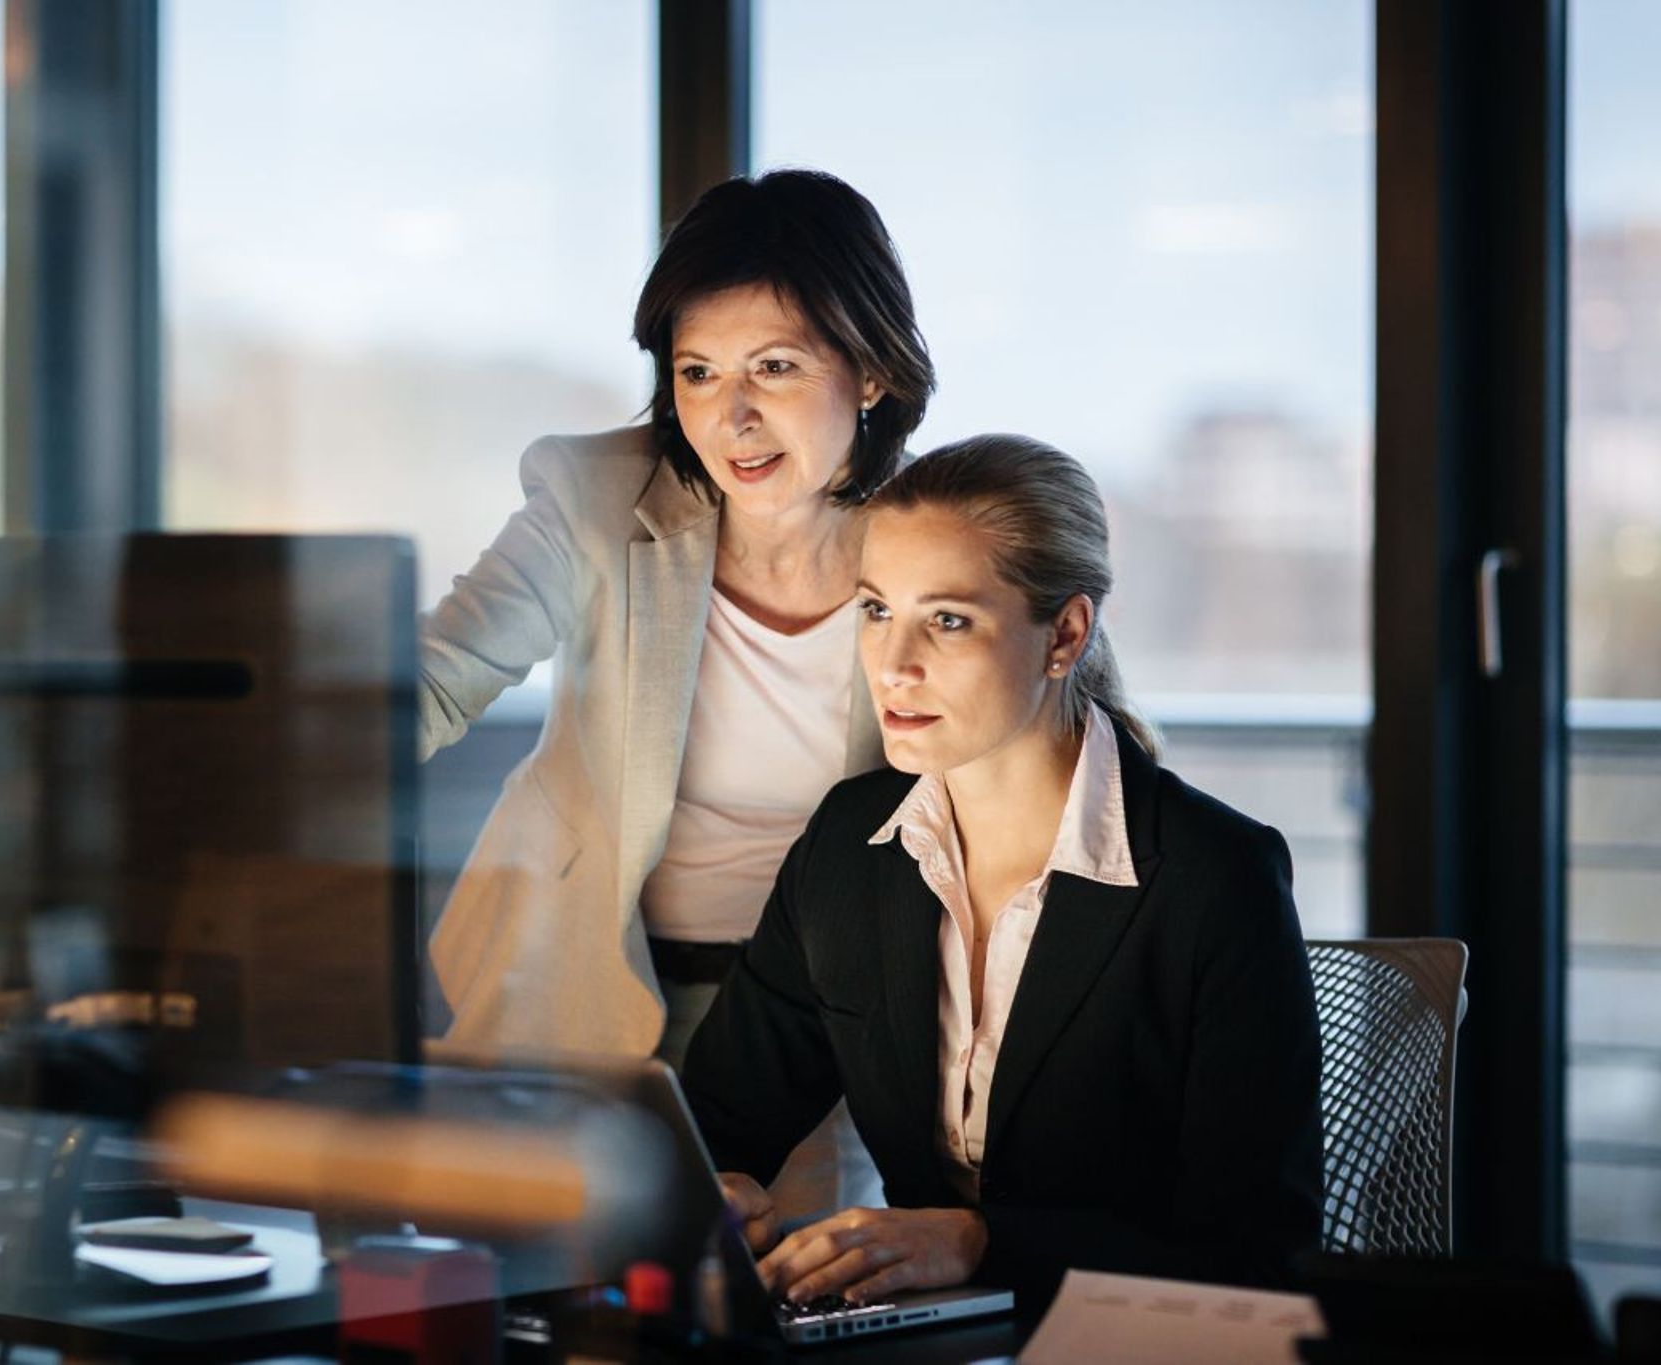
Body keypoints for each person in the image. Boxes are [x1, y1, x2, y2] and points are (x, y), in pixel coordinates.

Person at [681, 434, 1323, 1310]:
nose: (893, 663)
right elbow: (715, 1121)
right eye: (875, 611)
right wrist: (710, 1188)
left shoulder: (1215, 879)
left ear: (1064, 634)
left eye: (947, 620)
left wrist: (985, 1242)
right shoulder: (848, 848)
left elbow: (1259, 1254)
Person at [419, 169, 934, 1072]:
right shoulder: (597, 499)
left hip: (832, 1018)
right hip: (570, 981)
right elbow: (436, 676)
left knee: (797, 1221)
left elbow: (1078, 744)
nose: (731, 417)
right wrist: (275, 771)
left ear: (873, 372)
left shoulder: (943, 540)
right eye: (699, 372)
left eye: (775, 367)